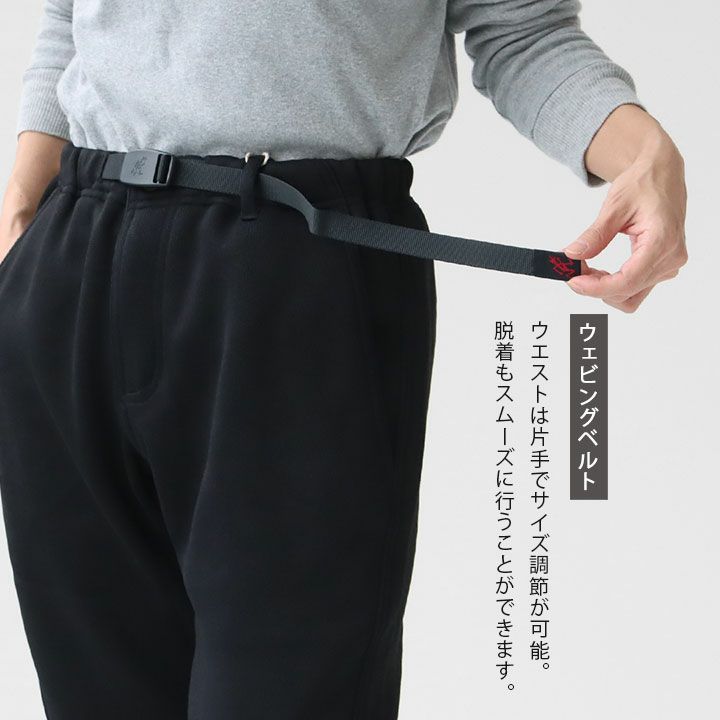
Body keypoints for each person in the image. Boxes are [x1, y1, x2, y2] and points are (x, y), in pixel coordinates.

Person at [0, 2, 687, 719]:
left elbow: (523, 29)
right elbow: (69, 18)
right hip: (71, 252)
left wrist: (646, 155)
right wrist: (22, 201)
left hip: (299, 263)